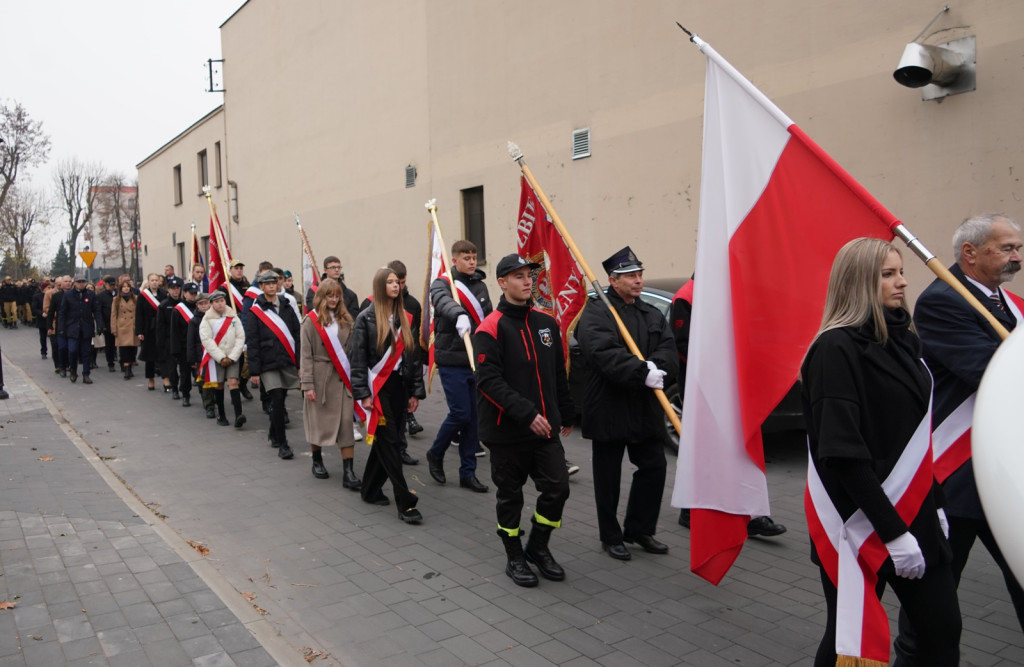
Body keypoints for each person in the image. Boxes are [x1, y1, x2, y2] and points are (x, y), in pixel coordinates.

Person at [802, 238, 960, 666]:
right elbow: (844, 454)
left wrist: (937, 503)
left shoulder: (904, 339)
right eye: (887, 274)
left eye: (901, 271)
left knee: (942, 631)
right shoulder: (834, 350)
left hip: (917, 513)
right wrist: (892, 533)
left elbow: (917, 438)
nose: (903, 282)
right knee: (849, 639)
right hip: (862, 522)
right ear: (857, 283)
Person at [894, 213, 1024, 662]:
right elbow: (991, 372)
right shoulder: (943, 301)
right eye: (1006, 248)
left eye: (1018, 248)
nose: (1016, 256)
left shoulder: (1012, 304)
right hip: (957, 477)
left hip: (1006, 473)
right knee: (932, 609)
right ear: (969, 253)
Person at [474, 254, 575, 587]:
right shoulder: (490, 328)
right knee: (510, 497)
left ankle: (538, 546)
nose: (527, 281)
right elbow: (489, 381)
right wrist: (526, 413)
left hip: (544, 430)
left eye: (529, 275)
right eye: (517, 276)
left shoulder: (546, 323)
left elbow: (557, 372)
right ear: (502, 283)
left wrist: (566, 410)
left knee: (558, 488)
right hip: (507, 433)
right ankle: (514, 555)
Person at [577, 246, 677, 560]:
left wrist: (658, 367)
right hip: (609, 406)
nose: (638, 280)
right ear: (612, 280)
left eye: (639, 274)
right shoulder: (596, 312)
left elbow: (669, 349)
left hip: (643, 408)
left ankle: (640, 529)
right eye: (630, 276)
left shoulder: (650, 313)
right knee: (607, 477)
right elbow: (602, 353)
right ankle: (611, 536)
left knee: (654, 467)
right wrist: (639, 372)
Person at [670, 278, 787, 538]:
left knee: (740, 448)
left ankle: (750, 510)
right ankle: (691, 508)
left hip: (733, 386)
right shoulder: (686, 296)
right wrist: (716, 371)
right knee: (700, 451)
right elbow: (682, 344)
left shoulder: (727, 289)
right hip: (703, 388)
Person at [351, 267, 424, 523]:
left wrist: (416, 391)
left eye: (398, 282)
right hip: (377, 390)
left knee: (387, 442)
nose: (396, 286)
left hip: (399, 387)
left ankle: (370, 489)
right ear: (381, 286)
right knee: (391, 443)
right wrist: (362, 394)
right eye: (390, 282)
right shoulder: (366, 318)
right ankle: (406, 503)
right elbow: (357, 360)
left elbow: (413, 358)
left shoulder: (405, 317)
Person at [425, 240, 491, 493]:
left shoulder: (481, 285)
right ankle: (435, 452)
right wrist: (459, 314)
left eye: (474, 257)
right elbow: (442, 301)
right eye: (466, 257)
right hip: (452, 359)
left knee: (473, 420)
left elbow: (488, 317)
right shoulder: (443, 283)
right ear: (454, 260)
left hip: (476, 360)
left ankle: (468, 473)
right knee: (460, 413)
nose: (472, 261)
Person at [300, 278, 362, 488]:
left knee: (346, 425)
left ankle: (348, 471)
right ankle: (317, 461)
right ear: (322, 296)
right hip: (320, 379)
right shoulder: (311, 321)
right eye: (330, 295)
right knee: (319, 424)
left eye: (337, 295)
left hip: (342, 379)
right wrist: (307, 385)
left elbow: (353, 351)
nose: (334, 299)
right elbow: (305, 356)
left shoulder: (347, 319)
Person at [245, 270, 301, 459]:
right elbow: (252, 341)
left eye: (274, 283)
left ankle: (272, 431)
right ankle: (283, 444)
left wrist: (299, 362)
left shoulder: (286, 305)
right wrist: (254, 370)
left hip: (286, 359)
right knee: (276, 400)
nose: (271, 286)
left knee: (282, 397)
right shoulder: (256, 311)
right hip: (268, 363)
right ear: (261, 286)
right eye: (267, 283)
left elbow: (297, 333)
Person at [199, 291, 247, 428]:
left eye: (222, 300)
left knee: (233, 382)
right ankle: (222, 415)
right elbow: (207, 340)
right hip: (217, 358)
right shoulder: (207, 319)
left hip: (232, 356)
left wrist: (232, 357)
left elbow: (240, 337)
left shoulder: (233, 316)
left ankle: (239, 415)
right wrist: (220, 357)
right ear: (212, 303)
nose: (220, 304)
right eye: (216, 301)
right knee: (219, 384)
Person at [59, 274, 103, 384]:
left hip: (86, 327)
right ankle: (73, 370)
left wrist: (100, 324)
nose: (81, 284)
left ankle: (86, 374)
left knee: (86, 352)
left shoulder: (91, 294)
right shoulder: (68, 295)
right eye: (79, 282)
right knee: (72, 350)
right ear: (75, 283)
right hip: (72, 327)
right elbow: (62, 313)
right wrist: (61, 327)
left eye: (83, 281)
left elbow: (97, 310)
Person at [169, 282, 200, 406]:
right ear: (185, 293)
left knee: (201, 373)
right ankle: (185, 394)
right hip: (184, 347)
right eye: (191, 293)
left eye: (195, 293)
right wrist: (175, 350)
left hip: (198, 346)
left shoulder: (200, 308)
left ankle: (206, 396)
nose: (193, 296)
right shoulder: (178, 310)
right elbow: (174, 332)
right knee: (185, 373)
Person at [136, 273, 165, 391]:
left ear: (159, 282)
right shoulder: (143, 295)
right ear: (148, 282)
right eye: (152, 280)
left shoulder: (164, 294)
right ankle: (150, 379)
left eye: (156, 280)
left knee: (162, 354)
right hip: (148, 328)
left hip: (161, 328)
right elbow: (139, 314)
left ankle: (165, 377)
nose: (154, 282)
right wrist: (139, 331)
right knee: (149, 356)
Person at [156, 277, 184, 397]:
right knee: (172, 367)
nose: (175, 291)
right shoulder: (164, 305)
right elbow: (160, 326)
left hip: (182, 339)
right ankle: (174, 389)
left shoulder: (183, 304)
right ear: (168, 289)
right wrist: (161, 343)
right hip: (169, 339)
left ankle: (184, 388)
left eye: (177, 288)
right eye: (173, 289)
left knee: (184, 367)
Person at [111, 278, 138, 380]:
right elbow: (113, 315)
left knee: (132, 349)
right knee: (123, 349)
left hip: (133, 326)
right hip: (121, 326)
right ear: (120, 288)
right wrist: (114, 328)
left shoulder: (135, 298)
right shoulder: (116, 300)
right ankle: (126, 368)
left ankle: (130, 366)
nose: (126, 289)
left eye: (127, 287)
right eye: (124, 287)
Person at [95, 274, 118, 372]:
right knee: (109, 344)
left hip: (119, 323)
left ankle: (121, 361)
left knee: (119, 343)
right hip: (107, 323)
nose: (112, 287)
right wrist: (102, 325)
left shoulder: (118, 294)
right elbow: (98, 311)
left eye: (113, 285)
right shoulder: (101, 296)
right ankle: (110, 362)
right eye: (110, 285)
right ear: (106, 285)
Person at [31, 280, 49, 359]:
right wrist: (41, 313)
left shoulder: (52, 295)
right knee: (43, 337)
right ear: (43, 288)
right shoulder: (37, 296)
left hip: (51, 319)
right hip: (42, 319)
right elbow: (34, 308)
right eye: (48, 287)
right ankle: (43, 352)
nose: (49, 289)